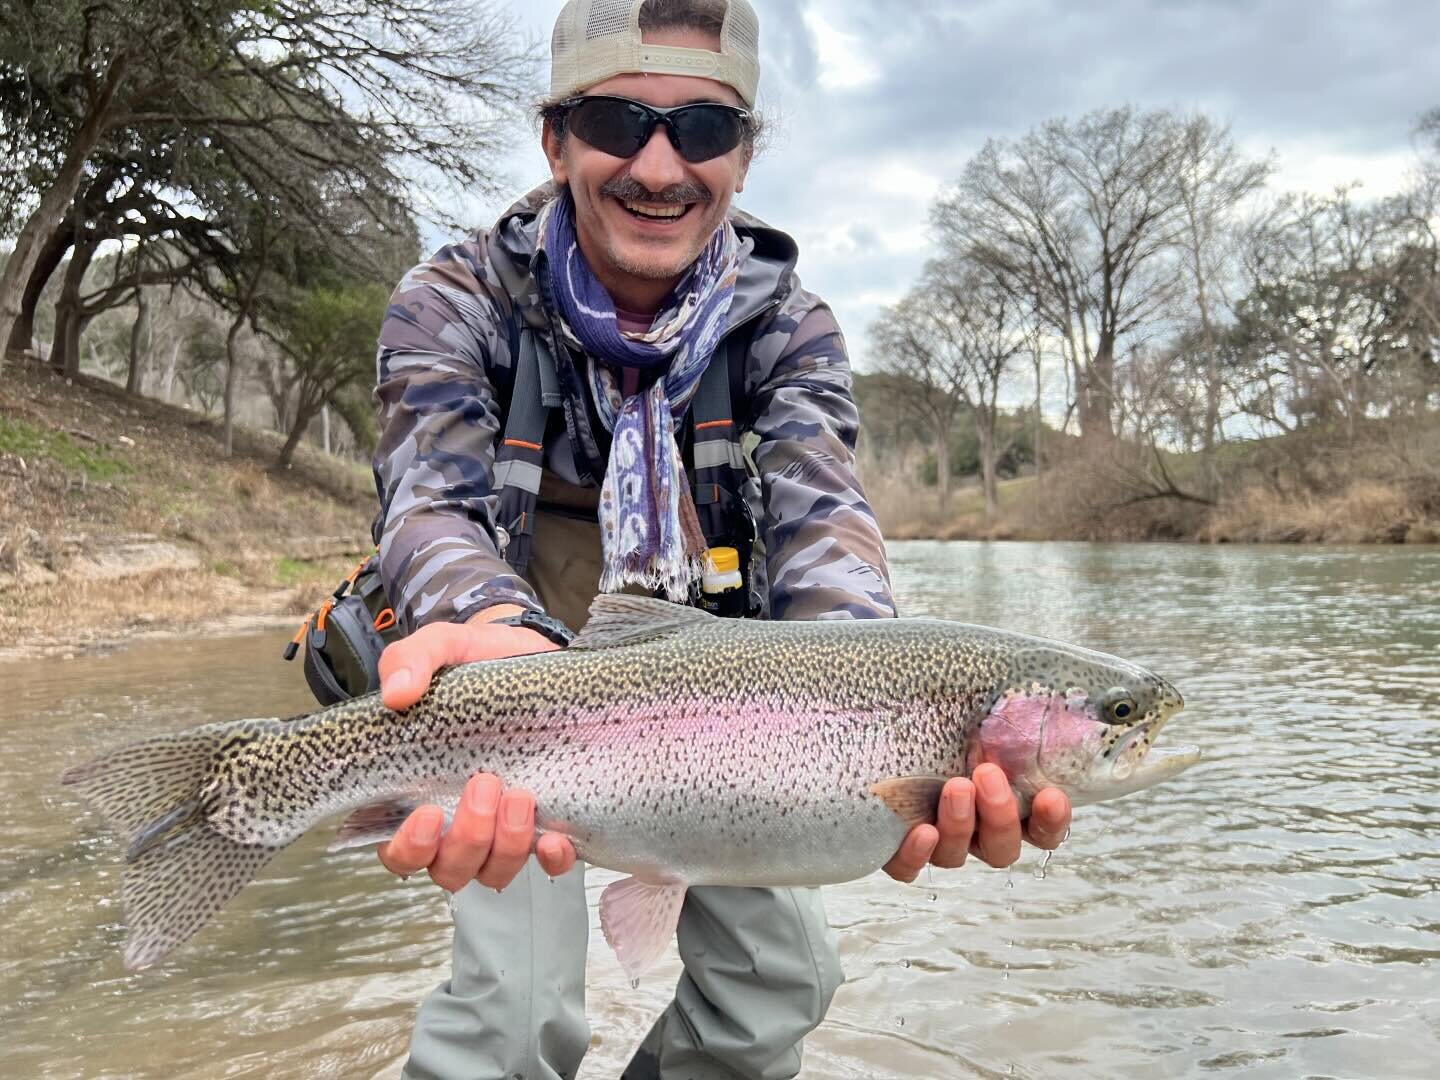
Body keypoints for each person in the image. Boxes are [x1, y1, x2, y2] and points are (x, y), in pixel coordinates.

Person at [368, 2, 1071, 1077]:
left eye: (704, 129)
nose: (660, 165)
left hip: (731, 698)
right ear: (554, 139)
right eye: (617, 121)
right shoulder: (454, 299)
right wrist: (488, 627)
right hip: (507, 675)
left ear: (742, 153)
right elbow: (430, 507)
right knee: (509, 1020)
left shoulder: (788, 327)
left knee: (777, 991)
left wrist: (886, 706)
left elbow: (825, 523)